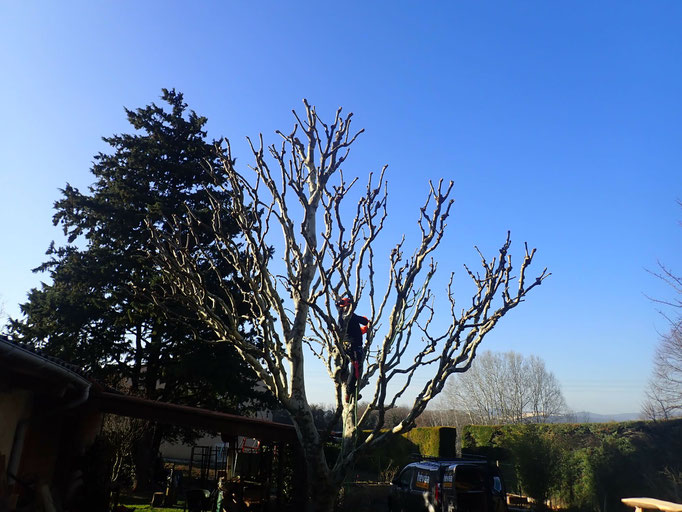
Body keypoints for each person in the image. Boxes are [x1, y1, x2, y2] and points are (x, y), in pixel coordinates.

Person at [336, 297, 370, 402]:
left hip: (346, 345)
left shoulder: (341, 316)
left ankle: (344, 377)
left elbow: (351, 331)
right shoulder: (350, 315)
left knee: (347, 367)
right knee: (356, 370)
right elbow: (364, 321)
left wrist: (362, 331)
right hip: (354, 347)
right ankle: (349, 392)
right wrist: (366, 322)